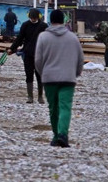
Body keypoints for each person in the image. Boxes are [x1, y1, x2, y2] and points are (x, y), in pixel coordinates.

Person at [35, 9, 84, 148]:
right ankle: (63, 134)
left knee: (53, 108)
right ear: (63, 21)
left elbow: (38, 60)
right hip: (68, 78)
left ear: (50, 20)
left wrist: (42, 73)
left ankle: (56, 136)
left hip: (49, 78)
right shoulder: (73, 38)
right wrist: (75, 72)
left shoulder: (43, 37)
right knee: (65, 107)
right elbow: (80, 58)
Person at [7, 8, 48, 104]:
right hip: (28, 54)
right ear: (29, 17)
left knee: (40, 76)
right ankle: (30, 97)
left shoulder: (44, 26)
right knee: (29, 75)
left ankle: (40, 97)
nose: (33, 19)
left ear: (38, 17)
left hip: (40, 55)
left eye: (34, 18)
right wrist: (12, 49)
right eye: (31, 17)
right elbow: (20, 38)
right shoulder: (25, 25)